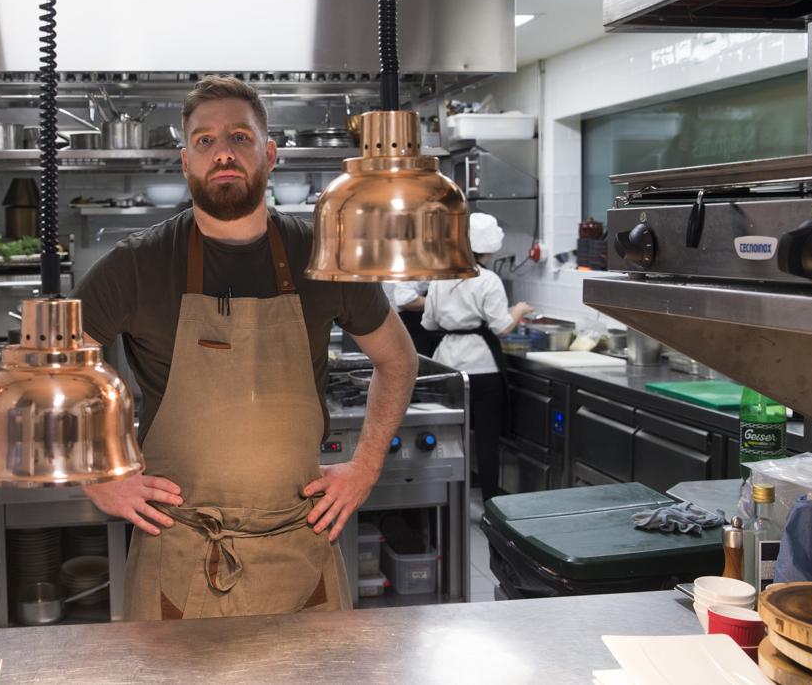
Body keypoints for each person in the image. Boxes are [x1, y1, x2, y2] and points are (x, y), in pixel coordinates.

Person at [72, 76, 419, 620]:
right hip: (179, 554)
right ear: (185, 160)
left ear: (270, 153)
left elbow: (398, 359)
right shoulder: (136, 266)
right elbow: (52, 377)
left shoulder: (322, 254)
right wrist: (97, 478)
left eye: (240, 136)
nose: (223, 153)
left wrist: (366, 466)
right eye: (205, 141)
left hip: (299, 548)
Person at [420, 213, 533, 501]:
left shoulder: (441, 276)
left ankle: (446, 501)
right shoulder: (489, 280)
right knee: (486, 439)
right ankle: (490, 504)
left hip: (446, 366)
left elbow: (429, 324)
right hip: (482, 368)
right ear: (490, 247)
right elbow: (501, 327)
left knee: (447, 437)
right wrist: (519, 310)